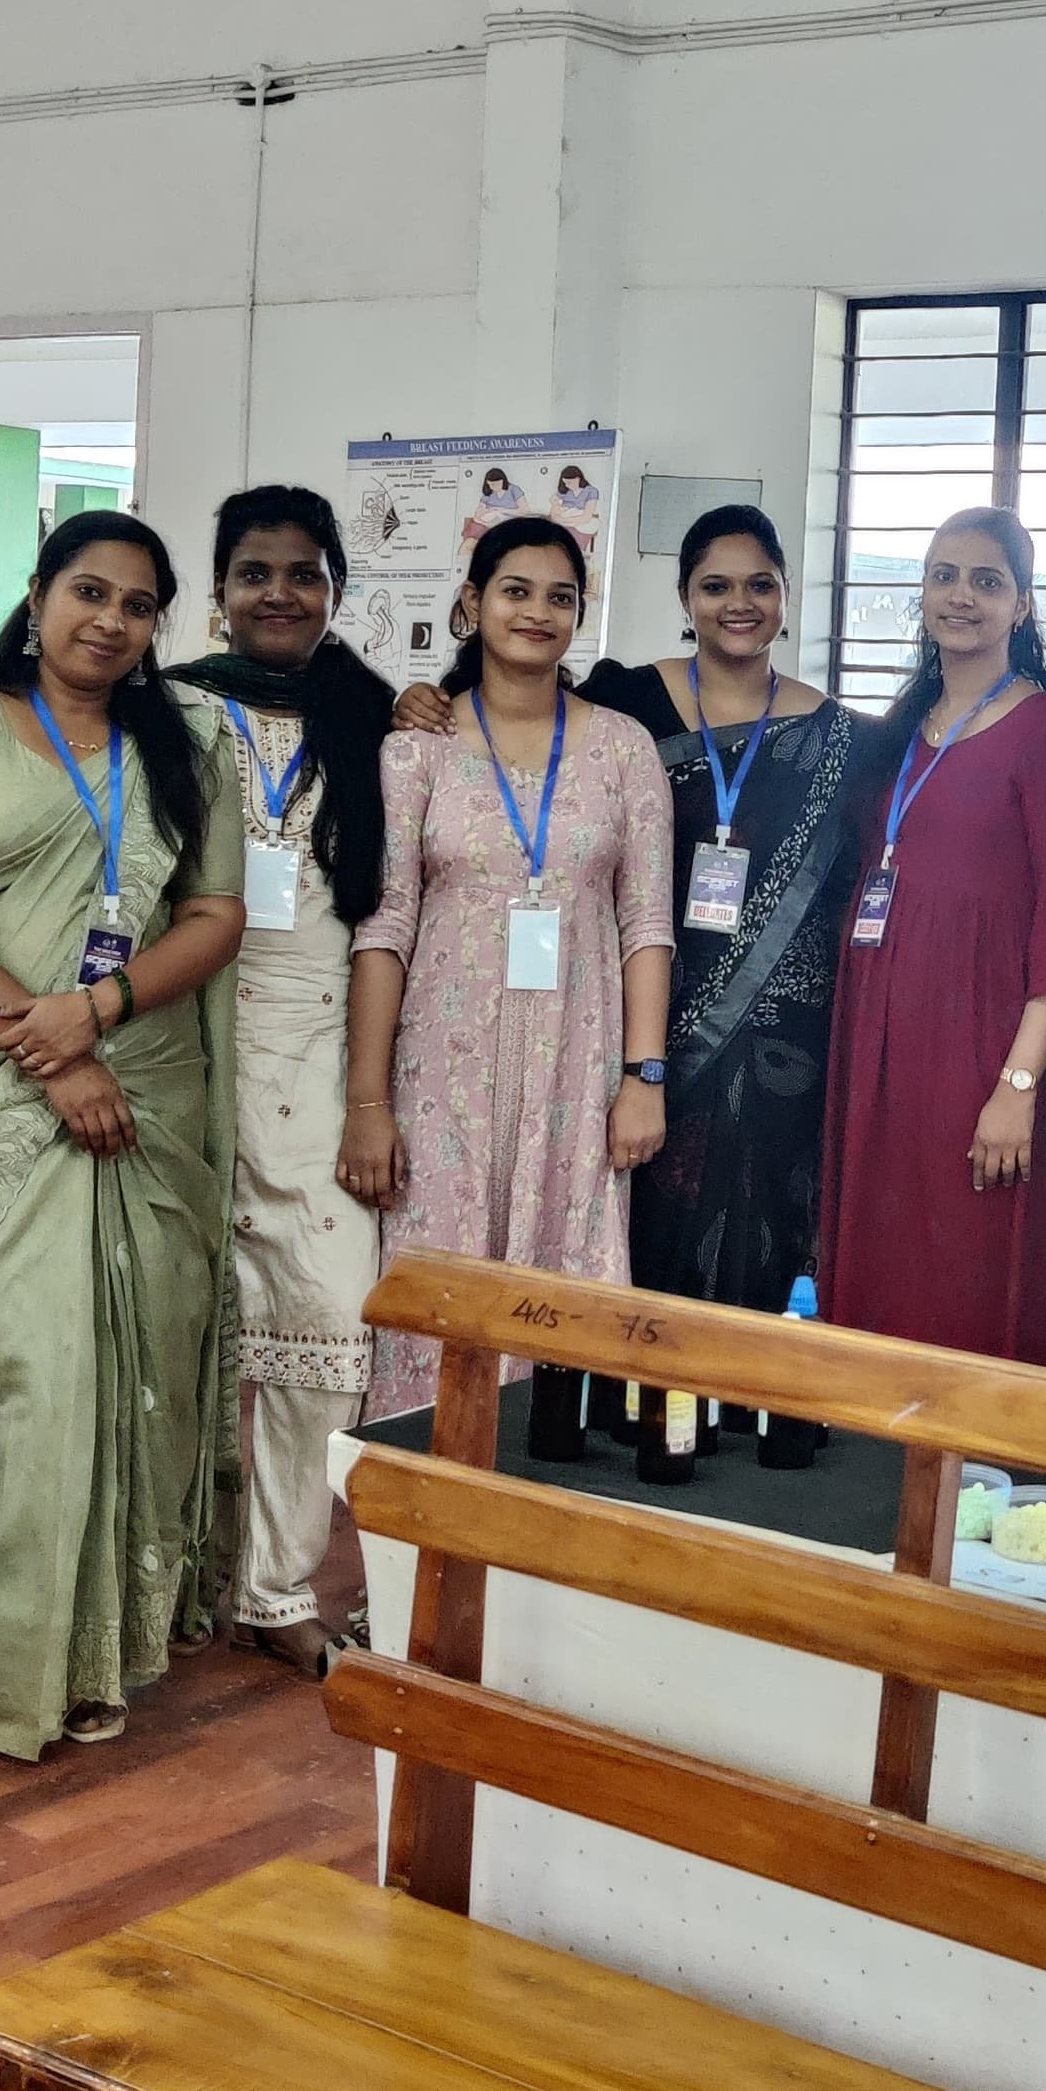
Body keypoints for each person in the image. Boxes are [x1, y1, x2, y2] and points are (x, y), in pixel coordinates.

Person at [0, 510, 245, 1761]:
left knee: (137, 1374)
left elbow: (216, 913)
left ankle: (101, 1660)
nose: (110, 621)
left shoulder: (190, 743)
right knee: (19, 1376)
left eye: (139, 606)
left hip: (146, 1089)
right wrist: (45, 1041)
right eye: (89, 591)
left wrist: (103, 1013)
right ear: (36, 595)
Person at [396, 503, 854, 1335]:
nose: (738, 603)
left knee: (770, 1244)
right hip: (628, 1033)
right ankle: (642, 1437)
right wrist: (422, 697)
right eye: (715, 586)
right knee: (645, 1242)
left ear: (788, 596)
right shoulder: (624, 700)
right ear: (685, 596)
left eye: (760, 585)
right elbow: (513, 720)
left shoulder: (841, 736)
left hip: (779, 1036)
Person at [339, 518, 674, 1417]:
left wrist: (644, 1076)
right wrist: (367, 1104)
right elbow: (384, 928)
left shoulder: (623, 748)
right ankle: (421, 1517)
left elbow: (647, 923)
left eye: (560, 596)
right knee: (437, 1292)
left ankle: (549, 1516)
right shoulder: (417, 748)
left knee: (564, 1289)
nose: (537, 612)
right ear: (471, 603)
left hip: (578, 1068)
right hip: (442, 1072)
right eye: (515, 590)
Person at [169, 488, 398, 1673]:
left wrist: (372, 1096)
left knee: (323, 1321)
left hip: (318, 1056)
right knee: (179, 1338)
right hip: (181, 1047)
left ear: (334, 593)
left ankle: (275, 1588)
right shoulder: (166, 708)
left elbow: (385, 925)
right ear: (217, 590)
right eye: (253, 571)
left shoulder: (377, 720)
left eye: (302, 574)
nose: (276, 593)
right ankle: (172, 1580)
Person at [820, 508, 1046, 1366]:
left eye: (987, 580)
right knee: (879, 1249)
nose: (961, 596)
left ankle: (977, 1484)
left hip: (985, 1044)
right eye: (944, 576)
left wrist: (1019, 1082)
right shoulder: (900, 729)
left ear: (1022, 605)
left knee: (969, 1264)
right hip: (881, 1033)